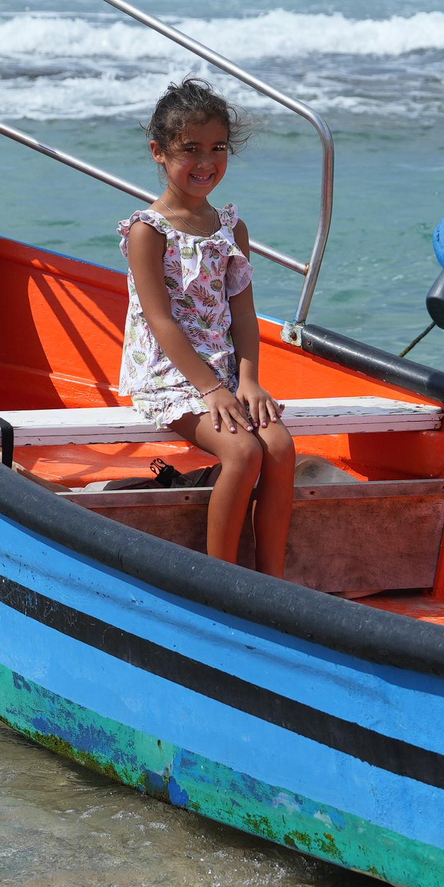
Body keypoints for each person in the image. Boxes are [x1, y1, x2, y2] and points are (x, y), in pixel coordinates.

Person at [119, 79, 295, 574]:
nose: (206, 162)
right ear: (158, 152)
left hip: (222, 373)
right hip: (170, 376)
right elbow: (160, 320)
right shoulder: (146, 231)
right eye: (189, 149)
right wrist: (213, 390)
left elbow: (242, 313)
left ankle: (274, 580)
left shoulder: (229, 226)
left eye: (217, 148)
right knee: (241, 452)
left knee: (279, 447)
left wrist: (248, 381)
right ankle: (225, 582)